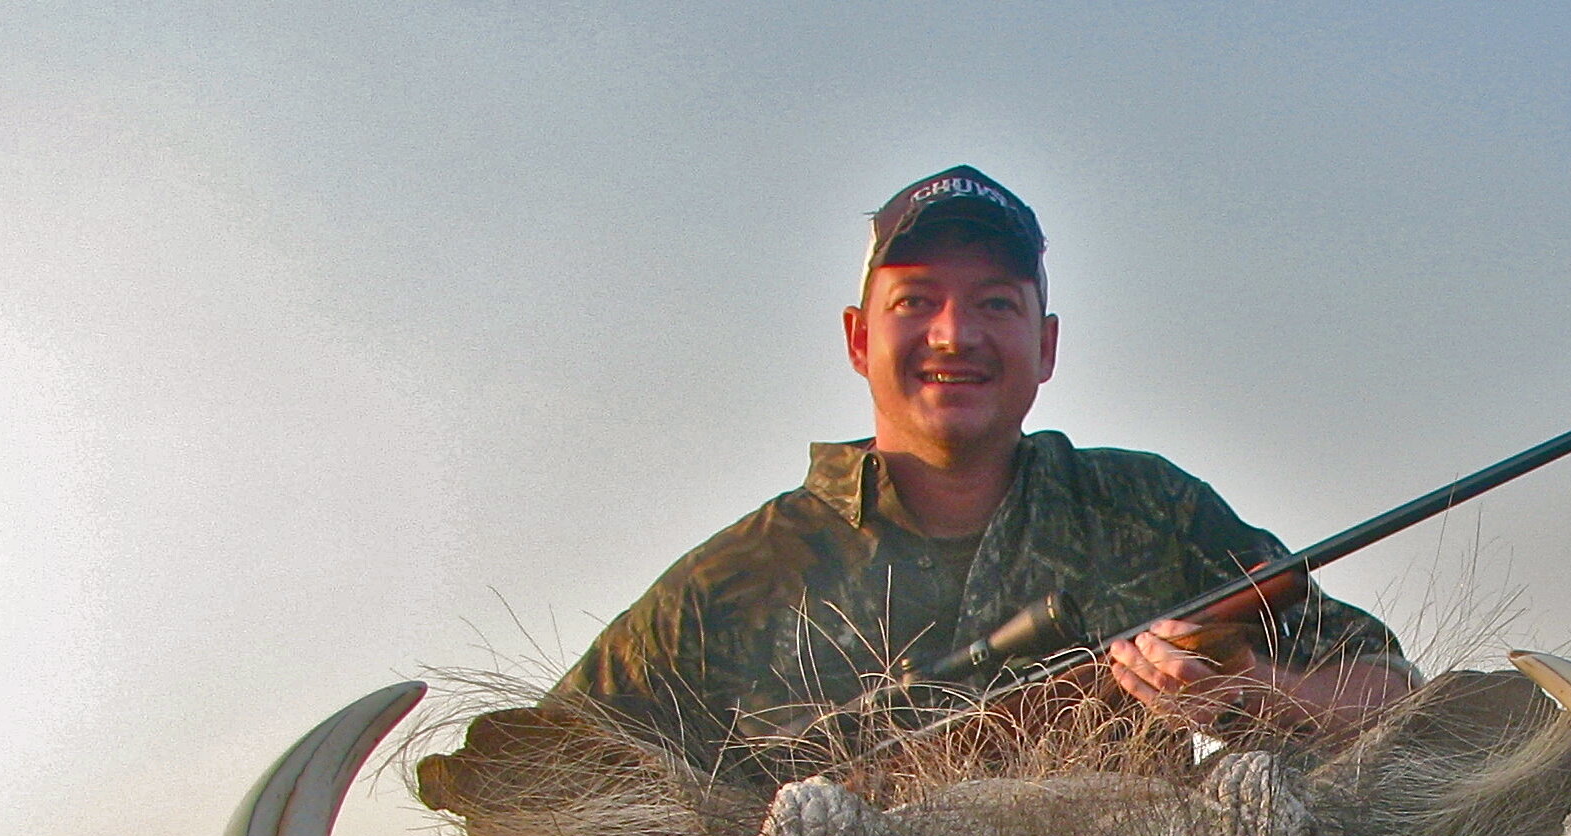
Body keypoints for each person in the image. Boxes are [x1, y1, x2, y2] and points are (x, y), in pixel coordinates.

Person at [555, 166, 1414, 773]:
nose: (954, 335)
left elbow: (1399, 701)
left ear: (1045, 347)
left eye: (996, 303)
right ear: (859, 339)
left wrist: (1248, 693)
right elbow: (542, 776)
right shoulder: (732, 582)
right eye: (916, 300)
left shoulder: (1153, 510)